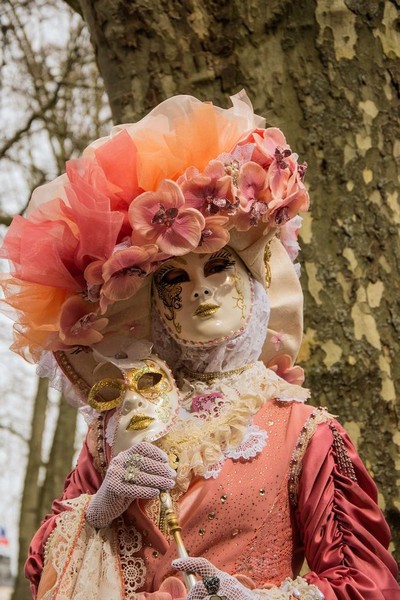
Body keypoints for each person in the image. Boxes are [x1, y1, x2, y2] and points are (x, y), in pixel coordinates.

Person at [1, 91, 399, 600]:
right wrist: (100, 509)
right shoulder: (118, 427)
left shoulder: (307, 434)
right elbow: (42, 572)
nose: (200, 290)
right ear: (152, 308)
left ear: (255, 282)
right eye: (174, 280)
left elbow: (366, 583)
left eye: (218, 267)